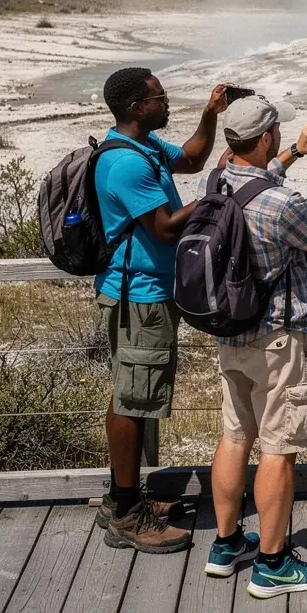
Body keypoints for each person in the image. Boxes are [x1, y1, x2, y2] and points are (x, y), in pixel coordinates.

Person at [206, 95, 307, 598]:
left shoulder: (218, 180)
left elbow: (256, 177)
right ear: (264, 137)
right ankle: (272, 563)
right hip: (279, 339)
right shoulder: (281, 204)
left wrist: (292, 152)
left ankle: (226, 544)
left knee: (235, 436)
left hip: (232, 332)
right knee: (280, 447)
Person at [95, 67, 229, 553]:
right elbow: (167, 229)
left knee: (130, 393)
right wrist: (216, 197)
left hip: (146, 291)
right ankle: (128, 516)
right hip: (140, 296)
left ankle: (120, 499)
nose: (166, 102)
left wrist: (210, 114)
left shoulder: (145, 147)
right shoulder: (127, 164)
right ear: (136, 108)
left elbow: (192, 158)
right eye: (159, 97)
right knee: (134, 399)